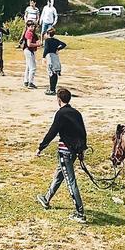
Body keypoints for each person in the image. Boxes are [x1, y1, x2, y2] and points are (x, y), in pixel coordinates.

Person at [37, 87, 87, 223]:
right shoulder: (77, 113)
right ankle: (46, 198)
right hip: (75, 151)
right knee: (59, 175)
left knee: (71, 182)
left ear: (59, 100)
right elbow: (83, 133)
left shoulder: (61, 114)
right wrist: (82, 150)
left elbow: (52, 132)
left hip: (65, 152)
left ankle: (80, 213)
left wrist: (41, 147)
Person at [43, 28, 67, 96]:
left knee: (51, 73)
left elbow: (46, 49)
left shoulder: (47, 40)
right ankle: (53, 88)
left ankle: (52, 89)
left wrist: (43, 57)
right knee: (55, 72)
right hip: (55, 57)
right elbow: (64, 44)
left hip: (50, 56)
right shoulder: (56, 40)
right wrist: (58, 49)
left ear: (47, 34)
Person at [18, 21, 40, 90]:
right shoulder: (29, 33)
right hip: (28, 50)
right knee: (33, 67)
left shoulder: (29, 32)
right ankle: (30, 82)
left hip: (28, 50)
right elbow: (29, 44)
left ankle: (26, 81)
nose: (33, 28)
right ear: (28, 26)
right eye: (31, 26)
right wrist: (38, 45)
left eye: (33, 26)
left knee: (28, 67)